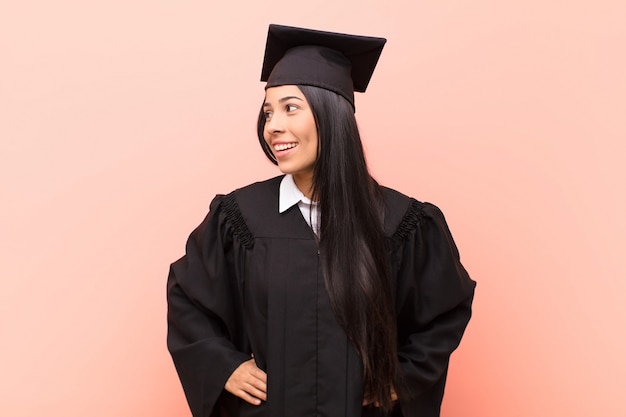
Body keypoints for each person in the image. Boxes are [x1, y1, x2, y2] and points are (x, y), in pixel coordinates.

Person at [167, 24, 476, 417]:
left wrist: (404, 379)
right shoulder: (239, 219)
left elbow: (443, 312)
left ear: (332, 115)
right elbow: (189, 301)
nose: (273, 125)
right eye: (268, 112)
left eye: (290, 107)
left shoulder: (401, 224)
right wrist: (223, 364)